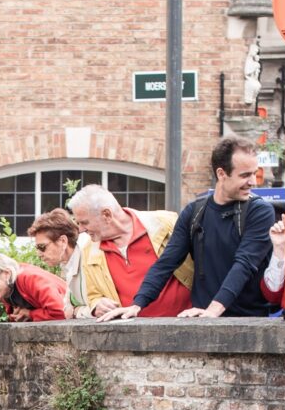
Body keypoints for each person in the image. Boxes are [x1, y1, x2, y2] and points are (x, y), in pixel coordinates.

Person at [108, 137, 273, 320]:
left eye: (254, 174)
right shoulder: (194, 212)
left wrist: (213, 311)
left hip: (248, 320)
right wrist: (137, 304)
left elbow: (244, 264)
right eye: (245, 175)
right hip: (201, 318)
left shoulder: (259, 211)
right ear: (221, 173)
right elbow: (167, 262)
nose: (253, 182)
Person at [70, 185, 192, 319]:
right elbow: (93, 295)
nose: (80, 229)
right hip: (131, 333)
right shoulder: (89, 250)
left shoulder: (164, 224)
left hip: (187, 326)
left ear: (107, 215)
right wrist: (97, 305)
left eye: (84, 223)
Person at [0, 247, 68, 321]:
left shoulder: (30, 278)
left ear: (6, 273)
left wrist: (30, 314)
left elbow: (61, 312)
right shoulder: (6, 289)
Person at [28, 208, 86, 312]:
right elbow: (66, 309)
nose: (39, 254)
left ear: (63, 241)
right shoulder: (68, 263)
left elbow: (98, 309)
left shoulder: (87, 260)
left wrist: (76, 312)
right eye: (37, 248)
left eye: (42, 247)